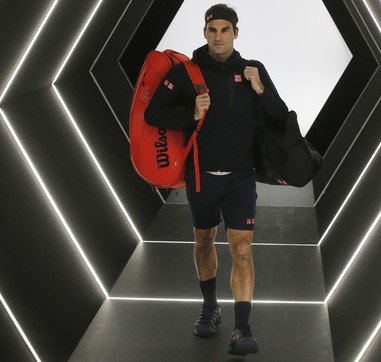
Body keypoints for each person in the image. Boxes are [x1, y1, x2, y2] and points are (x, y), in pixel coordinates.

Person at [145, 3, 288, 356]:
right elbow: (153, 113)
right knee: (204, 241)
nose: (218, 36)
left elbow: (280, 116)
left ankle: (243, 328)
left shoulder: (253, 70)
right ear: (205, 33)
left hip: (241, 176)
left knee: (242, 248)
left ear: (236, 33)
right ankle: (210, 308)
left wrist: (261, 90)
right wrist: (190, 114)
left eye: (225, 30)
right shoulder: (186, 73)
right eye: (212, 30)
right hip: (200, 175)